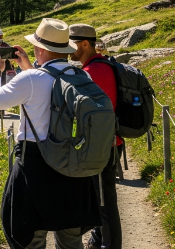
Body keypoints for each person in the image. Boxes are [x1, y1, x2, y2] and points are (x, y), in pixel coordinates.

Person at [0, 18, 101, 249]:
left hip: (36, 166)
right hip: (74, 165)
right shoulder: (82, 77)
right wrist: (29, 66)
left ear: (39, 49)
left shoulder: (31, 79)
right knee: (70, 239)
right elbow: (51, 84)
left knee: (33, 237)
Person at [70, 24, 124, 249]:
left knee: (105, 203)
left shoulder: (94, 72)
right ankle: (100, 238)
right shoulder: (99, 66)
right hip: (105, 144)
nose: (69, 49)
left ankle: (110, 245)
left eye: (72, 44)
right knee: (100, 199)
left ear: (85, 44)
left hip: (103, 146)